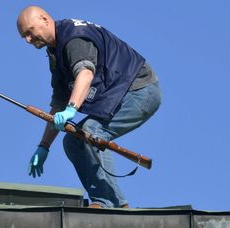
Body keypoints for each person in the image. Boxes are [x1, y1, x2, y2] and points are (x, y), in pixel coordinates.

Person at [17, 6, 161, 208]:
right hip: (120, 96)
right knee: (73, 142)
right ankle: (107, 202)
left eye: (30, 32)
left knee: (90, 132)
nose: (28, 40)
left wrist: (71, 109)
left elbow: (85, 74)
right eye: (24, 36)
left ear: (44, 19)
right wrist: (44, 146)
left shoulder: (73, 39)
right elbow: (59, 103)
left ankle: (112, 204)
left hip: (141, 91)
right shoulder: (56, 53)